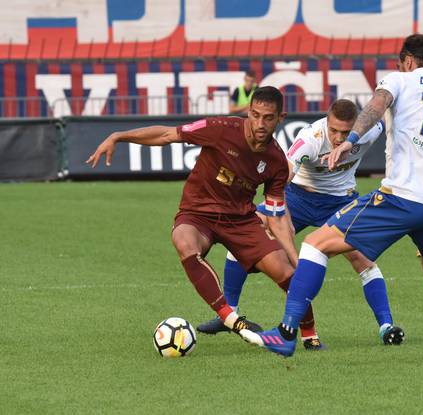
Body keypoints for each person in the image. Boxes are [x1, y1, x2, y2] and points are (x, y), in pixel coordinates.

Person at [241, 34, 423, 364]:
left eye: (399, 62)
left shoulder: (400, 80)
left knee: (315, 245)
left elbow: (375, 107)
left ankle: (287, 332)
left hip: (401, 198)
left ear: (408, 61)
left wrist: (350, 139)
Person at [85, 86, 323, 348]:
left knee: (287, 274)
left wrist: (294, 257)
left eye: (268, 117)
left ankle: (310, 335)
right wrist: (119, 136)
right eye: (255, 115)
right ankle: (232, 320)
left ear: (281, 117)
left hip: (241, 221)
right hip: (198, 213)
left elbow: (277, 216)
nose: (260, 123)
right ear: (248, 111)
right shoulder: (220, 128)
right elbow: (167, 135)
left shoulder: (277, 161)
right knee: (184, 243)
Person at [197, 99, 404, 345]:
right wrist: (281, 218)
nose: (338, 138)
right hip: (299, 197)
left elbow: (385, 117)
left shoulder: (370, 130)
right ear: (326, 122)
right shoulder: (310, 139)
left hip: (341, 200)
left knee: (362, 258)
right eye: (334, 130)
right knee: (249, 231)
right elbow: (282, 177)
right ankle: (228, 312)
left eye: (345, 132)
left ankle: (386, 326)